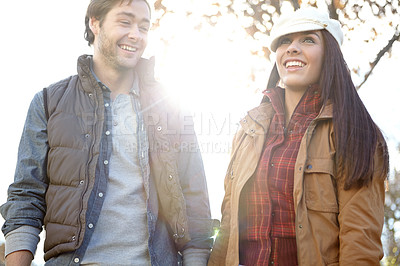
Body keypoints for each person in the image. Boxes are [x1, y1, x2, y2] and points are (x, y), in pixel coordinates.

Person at [0, 0, 217, 265]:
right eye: (125, 22)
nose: (136, 35)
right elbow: (27, 196)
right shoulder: (48, 103)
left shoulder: (171, 109)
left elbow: (195, 203)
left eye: (144, 27)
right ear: (95, 22)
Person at [208, 7, 389, 266]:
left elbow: (360, 244)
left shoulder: (356, 133)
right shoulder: (248, 131)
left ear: (330, 55)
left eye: (308, 39)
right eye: (285, 41)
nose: (292, 48)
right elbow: (228, 227)